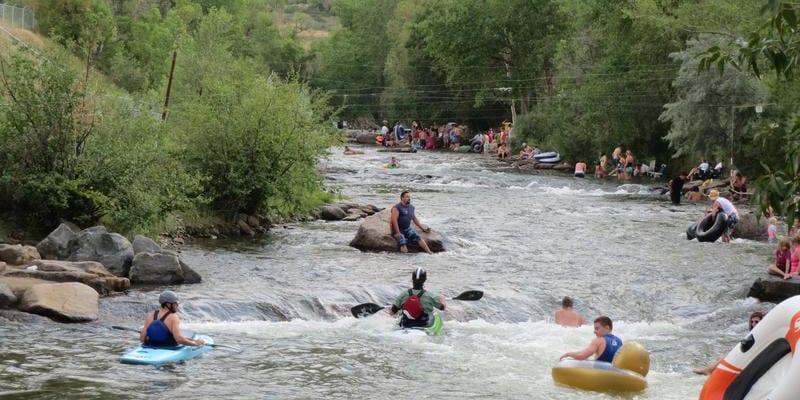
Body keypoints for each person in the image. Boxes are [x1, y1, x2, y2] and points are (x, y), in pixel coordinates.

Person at [694, 312, 764, 375]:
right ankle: (711, 370)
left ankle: (708, 370)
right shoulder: (753, 333)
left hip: (756, 356)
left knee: (729, 354)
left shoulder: (762, 333)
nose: (753, 324)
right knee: (728, 353)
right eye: (752, 322)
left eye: (756, 322)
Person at [140, 291, 205, 348]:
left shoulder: (150, 316)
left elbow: (142, 339)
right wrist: (195, 344)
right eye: (175, 303)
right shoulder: (173, 317)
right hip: (169, 347)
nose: (177, 305)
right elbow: (179, 339)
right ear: (168, 304)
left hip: (151, 346)